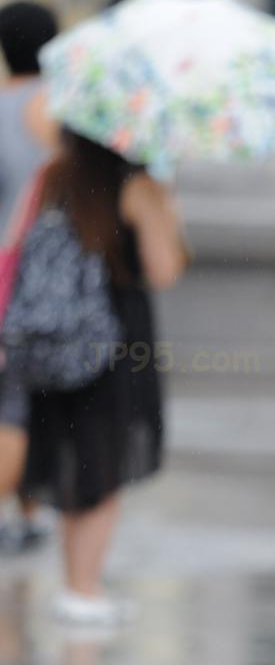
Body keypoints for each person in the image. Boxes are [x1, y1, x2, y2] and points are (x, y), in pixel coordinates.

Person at [0, 127, 188, 622]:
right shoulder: (136, 185)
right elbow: (163, 268)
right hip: (114, 343)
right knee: (103, 466)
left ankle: (74, 583)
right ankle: (82, 589)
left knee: (69, 456)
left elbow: (15, 247)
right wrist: (165, 210)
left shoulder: (53, 175)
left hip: (48, 340)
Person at [0, 0, 62, 552]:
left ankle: (24, 509)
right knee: (24, 401)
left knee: (12, 399)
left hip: (3, 269)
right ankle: (28, 509)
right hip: (39, 276)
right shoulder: (57, 112)